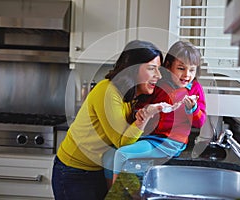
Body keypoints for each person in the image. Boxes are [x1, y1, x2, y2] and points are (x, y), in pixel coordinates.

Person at [51, 40, 164, 200]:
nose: (158, 76)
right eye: (152, 68)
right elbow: (121, 142)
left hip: (96, 169)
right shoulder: (108, 91)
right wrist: (144, 118)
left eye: (158, 69)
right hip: (73, 171)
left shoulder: (133, 94)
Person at [104, 40, 207, 184]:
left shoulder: (195, 89)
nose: (187, 75)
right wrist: (141, 113)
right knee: (109, 156)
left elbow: (200, 122)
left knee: (122, 154)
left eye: (192, 70)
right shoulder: (159, 85)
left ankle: (116, 196)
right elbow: (141, 106)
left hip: (170, 142)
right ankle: (111, 192)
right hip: (151, 137)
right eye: (181, 68)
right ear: (169, 66)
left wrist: (193, 109)